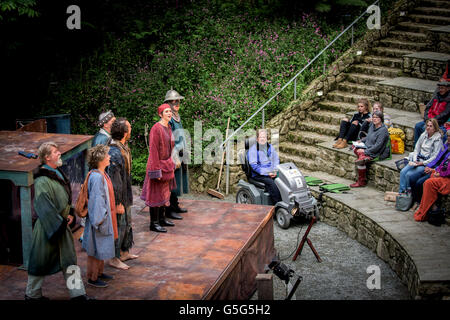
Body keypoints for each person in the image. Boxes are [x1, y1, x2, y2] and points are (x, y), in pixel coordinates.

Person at [25, 142, 91, 300]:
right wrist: (59, 223)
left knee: (70, 261)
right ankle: (32, 295)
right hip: (47, 229)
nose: (59, 153)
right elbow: (43, 206)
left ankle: (78, 295)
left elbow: (64, 201)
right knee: (39, 262)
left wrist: (69, 214)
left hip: (61, 226)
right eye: (55, 152)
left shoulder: (57, 172)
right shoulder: (42, 180)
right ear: (47, 157)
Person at [82, 145, 117, 288]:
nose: (109, 157)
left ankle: (100, 273)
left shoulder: (102, 174)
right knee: (96, 249)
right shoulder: (97, 177)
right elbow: (97, 200)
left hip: (104, 217)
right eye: (107, 155)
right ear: (100, 159)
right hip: (100, 219)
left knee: (100, 247)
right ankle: (93, 277)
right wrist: (100, 220)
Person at [107, 118, 139, 269]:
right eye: (130, 126)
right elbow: (115, 181)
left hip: (125, 193)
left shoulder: (123, 147)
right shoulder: (114, 151)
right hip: (119, 197)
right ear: (125, 132)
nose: (131, 128)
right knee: (119, 225)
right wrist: (118, 202)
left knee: (126, 223)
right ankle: (114, 257)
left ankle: (124, 251)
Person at [141, 104, 177, 233]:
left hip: (167, 165)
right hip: (157, 165)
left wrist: (172, 162)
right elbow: (154, 151)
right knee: (155, 195)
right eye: (166, 111)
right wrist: (156, 171)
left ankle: (162, 219)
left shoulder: (168, 127)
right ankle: (154, 223)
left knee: (165, 193)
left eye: (170, 111)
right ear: (160, 114)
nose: (169, 113)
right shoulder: (156, 129)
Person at [398, 118, 443, 194]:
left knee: (409, 175)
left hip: (426, 163)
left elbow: (434, 157)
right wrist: (415, 159)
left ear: (435, 128)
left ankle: (409, 194)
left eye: (430, 126)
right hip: (417, 160)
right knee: (403, 172)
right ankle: (401, 193)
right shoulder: (424, 134)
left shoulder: (437, 140)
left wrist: (422, 163)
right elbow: (417, 148)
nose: (428, 128)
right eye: (427, 125)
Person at [350, 111, 390, 188]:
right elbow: (368, 137)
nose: (374, 119)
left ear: (381, 119)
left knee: (361, 159)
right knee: (355, 147)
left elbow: (378, 146)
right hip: (367, 147)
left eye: (376, 117)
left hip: (375, 151)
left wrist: (365, 151)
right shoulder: (372, 125)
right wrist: (361, 141)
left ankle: (361, 181)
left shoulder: (383, 130)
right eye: (373, 117)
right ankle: (364, 157)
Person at [410, 134, 450, 211]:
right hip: (433, 167)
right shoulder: (445, 146)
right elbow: (437, 158)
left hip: (439, 172)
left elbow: (445, 167)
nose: (448, 138)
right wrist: (428, 166)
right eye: (448, 136)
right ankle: (413, 200)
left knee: (420, 182)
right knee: (411, 177)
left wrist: (434, 170)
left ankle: (420, 203)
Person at [166, 89, 188, 220]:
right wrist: (174, 156)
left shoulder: (177, 117)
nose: (177, 104)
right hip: (173, 154)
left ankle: (175, 205)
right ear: (168, 104)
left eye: (178, 102)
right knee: (172, 183)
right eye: (174, 102)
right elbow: (169, 140)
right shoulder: (169, 120)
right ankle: (169, 209)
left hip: (181, 153)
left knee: (178, 181)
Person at [248, 128, 282, 203]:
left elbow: (276, 159)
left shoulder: (270, 147)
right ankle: (278, 204)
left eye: (264, 137)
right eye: (261, 137)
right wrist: (268, 173)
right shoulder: (253, 150)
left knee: (283, 178)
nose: (263, 139)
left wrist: (275, 170)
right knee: (271, 183)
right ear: (257, 139)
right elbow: (254, 166)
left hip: (272, 171)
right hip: (258, 174)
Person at [413, 154, 450, 222]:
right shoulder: (447, 151)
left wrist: (440, 174)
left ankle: (427, 209)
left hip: (447, 178)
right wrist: (435, 171)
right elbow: (441, 164)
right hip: (440, 173)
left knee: (428, 183)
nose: (448, 142)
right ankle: (428, 207)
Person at [414, 81, 450, 146]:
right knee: (418, 126)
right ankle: (416, 147)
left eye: (442, 88)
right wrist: (426, 117)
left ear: (447, 89)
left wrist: (433, 120)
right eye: (439, 88)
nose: (440, 90)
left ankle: (425, 149)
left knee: (425, 128)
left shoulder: (448, 100)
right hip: (430, 119)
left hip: (439, 122)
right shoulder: (436, 96)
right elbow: (428, 107)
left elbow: (445, 114)